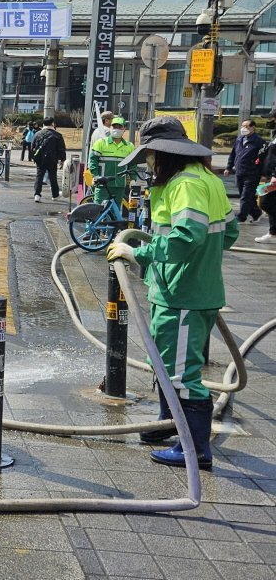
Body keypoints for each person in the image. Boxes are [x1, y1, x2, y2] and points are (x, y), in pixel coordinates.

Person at [107, 116, 237, 469]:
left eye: (150, 156)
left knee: (180, 373)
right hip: (188, 290)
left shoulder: (185, 185)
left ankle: (193, 450)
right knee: (165, 362)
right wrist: (204, 261)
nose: (148, 163)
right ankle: (169, 423)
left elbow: (184, 238)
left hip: (182, 294)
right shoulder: (207, 179)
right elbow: (230, 232)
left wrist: (139, 253)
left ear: (164, 154)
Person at [224, 118, 265, 223]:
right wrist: (228, 167)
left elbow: (264, 159)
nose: (243, 128)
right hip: (239, 172)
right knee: (246, 195)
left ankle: (241, 217)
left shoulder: (259, 142)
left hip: (252, 174)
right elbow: (233, 154)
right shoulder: (239, 140)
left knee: (245, 196)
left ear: (253, 127)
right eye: (242, 126)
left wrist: (264, 173)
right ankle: (256, 213)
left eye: (246, 126)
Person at [88, 116, 134, 205]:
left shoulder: (129, 146)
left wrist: (133, 179)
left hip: (120, 185)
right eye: (114, 126)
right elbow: (93, 161)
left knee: (115, 210)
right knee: (99, 208)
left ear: (124, 129)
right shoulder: (101, 143)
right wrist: (95, 176)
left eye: (120, 127)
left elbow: (133, 164)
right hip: (103, 184)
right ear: (110, 128)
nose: (117, 129)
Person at [31, 117, 67, 202]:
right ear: (52, 124)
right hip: (52, 159)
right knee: (53, 176)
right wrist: (63, 159)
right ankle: (55, 195)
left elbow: (32, 146)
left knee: (39, 176)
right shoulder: (57, 135)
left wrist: (34, 157)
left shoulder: (37, 134)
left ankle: (37, 194)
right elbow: (61, 149)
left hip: (40, 159)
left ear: (43, 124)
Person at [256, 108, 276, 244]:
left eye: (272, 118)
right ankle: (272, 232)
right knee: (270, 202)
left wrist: (275, 174)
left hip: (274, 176)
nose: (270, 121)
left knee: (266, 202)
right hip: (270, 175)